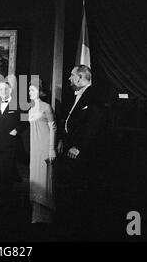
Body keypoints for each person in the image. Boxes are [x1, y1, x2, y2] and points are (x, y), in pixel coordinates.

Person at [59, 65, 102, 231]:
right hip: (70, 148)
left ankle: (80, 227)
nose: (69, 78)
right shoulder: (75, 95)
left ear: (80, 77)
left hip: (82, 152)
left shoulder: (94, 95)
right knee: (71, 188)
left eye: (72, 75)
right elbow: (70, 120)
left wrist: (79, 147)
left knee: (80, 190)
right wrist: (63, 139)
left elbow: (94, 125)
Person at [0, 82, 27, 214]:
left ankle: (7, 202)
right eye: (0, 89)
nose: (3, 91)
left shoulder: (18, 103)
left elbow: (25, 121)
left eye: (5, 88)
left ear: (10, 90)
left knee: (6, 173)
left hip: (9, 144)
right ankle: (2, 199)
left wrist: (17, 130)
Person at [28, 80, 57, 223]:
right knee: (35, 175)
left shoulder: (46, 107)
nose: (30, 92)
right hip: (34, 146)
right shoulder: (31, 109)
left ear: (40, 91)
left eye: (32, 90)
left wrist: (52, 149)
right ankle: (36, 214)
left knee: (44, 177)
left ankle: (45, 216)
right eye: (29, 90)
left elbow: (53, 128)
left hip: (45, 146)